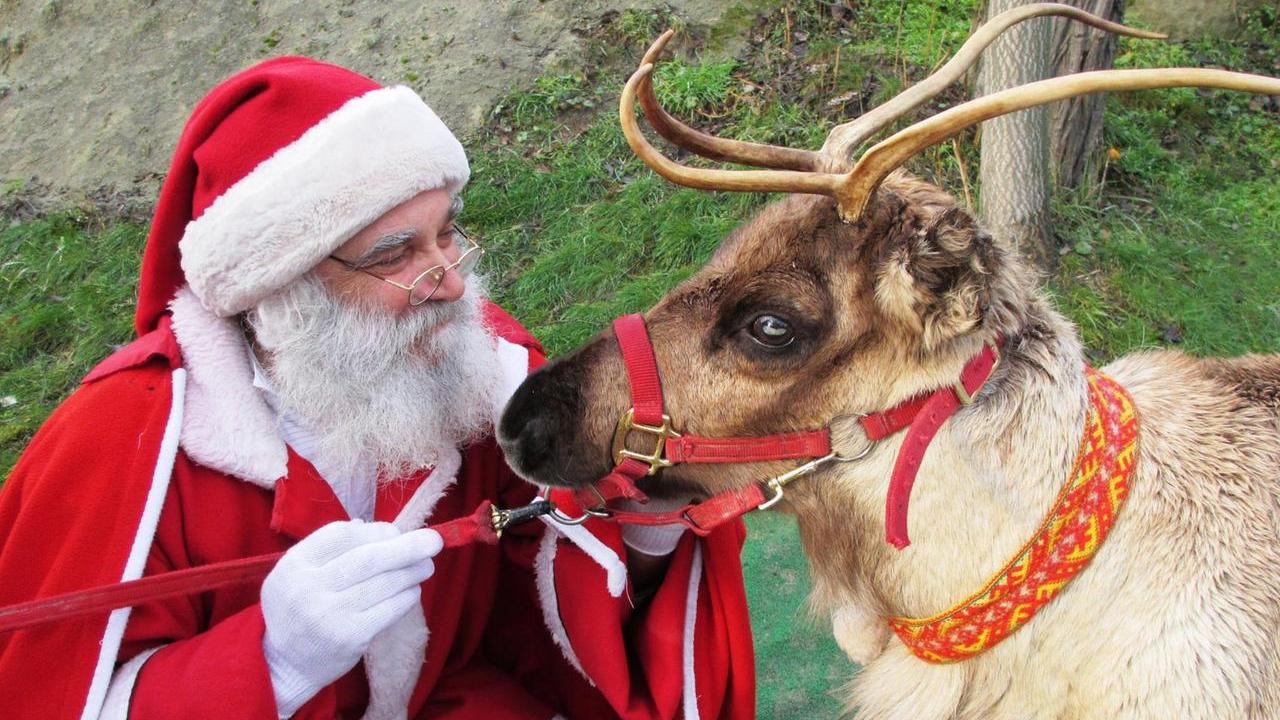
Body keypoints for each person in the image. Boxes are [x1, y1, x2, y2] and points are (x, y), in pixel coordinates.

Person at [0, 57, 754, 719]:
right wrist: (271, 661)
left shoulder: (476, 366)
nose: (452, 282)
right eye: (396, 254)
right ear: (282, 291)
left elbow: (532, 603)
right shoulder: (122, 443)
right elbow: (45, 697)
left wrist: (645, 522)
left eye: (449, 231)